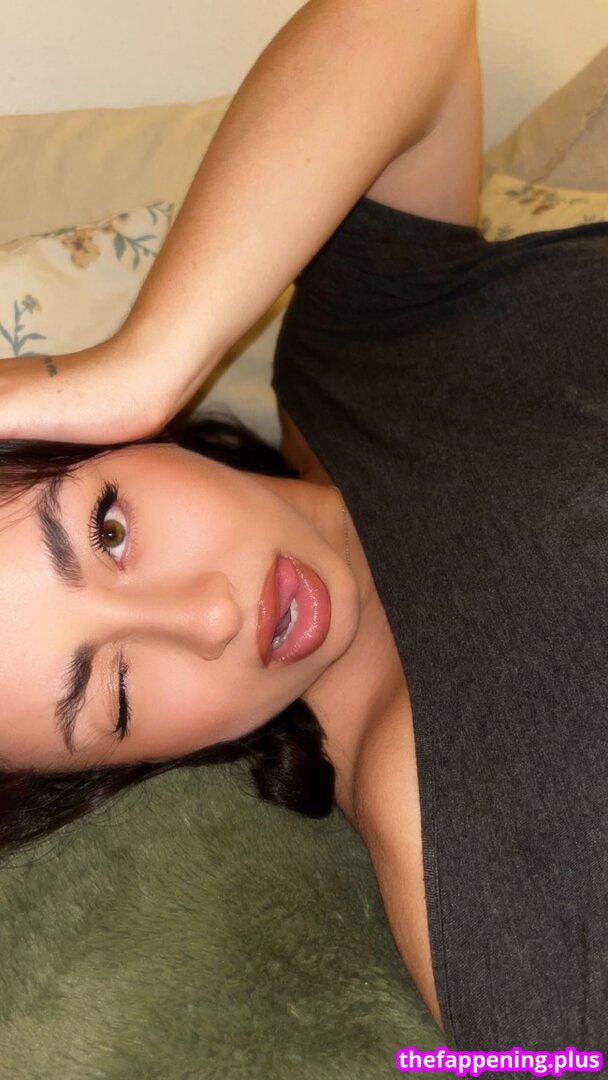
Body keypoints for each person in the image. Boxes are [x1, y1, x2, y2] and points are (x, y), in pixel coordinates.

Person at [1, 0, 607, 1055]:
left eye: (108, 531)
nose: (209, 617)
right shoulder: (445, 822)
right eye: (119, 694)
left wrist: (144, 362)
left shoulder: (355, 340)